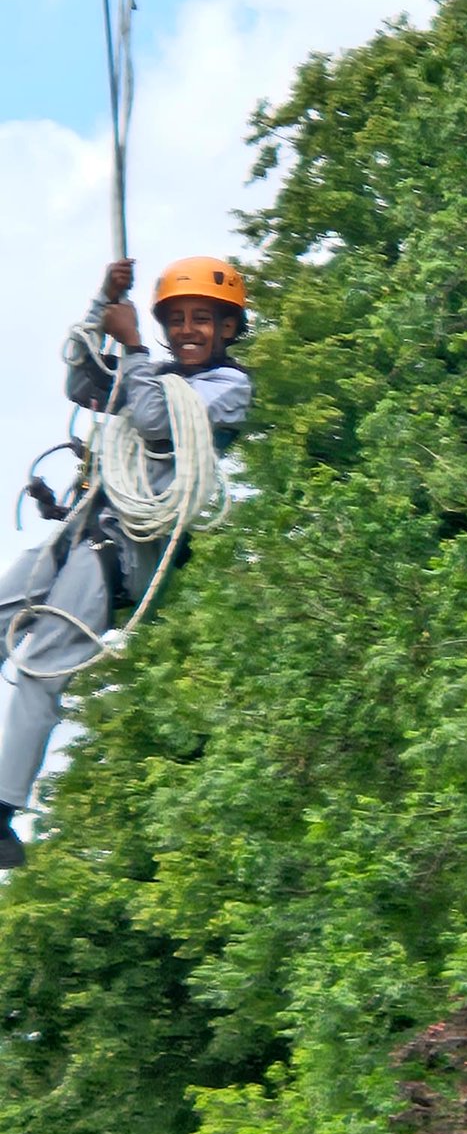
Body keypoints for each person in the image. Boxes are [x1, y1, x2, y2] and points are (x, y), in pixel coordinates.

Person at [0, 257, 253, 870]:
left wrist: (135, 345)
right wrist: (101, 306)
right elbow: (83, 384)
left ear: (227, 330)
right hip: (86, 527)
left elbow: (157, 424)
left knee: (43, 661)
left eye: (204, 320)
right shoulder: (154, 372)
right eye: (178, 320)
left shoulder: (225, 388)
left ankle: (2, 812)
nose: (189, 330)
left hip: (124, 552)